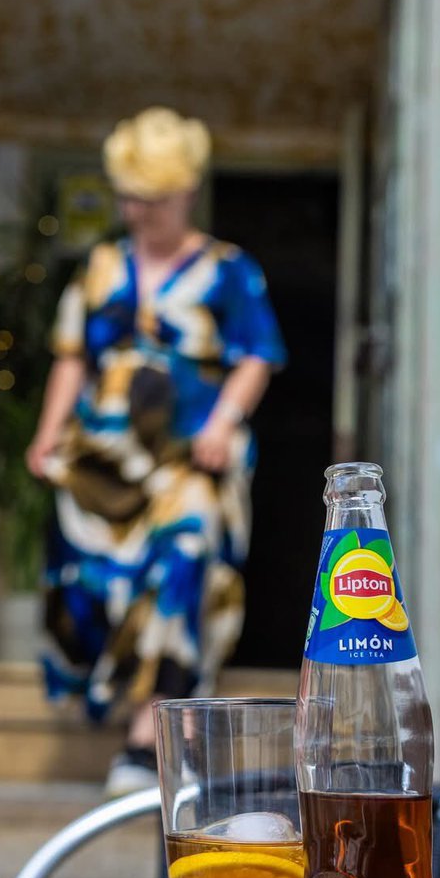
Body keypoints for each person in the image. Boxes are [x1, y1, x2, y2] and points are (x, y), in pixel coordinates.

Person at [26, 107, 286, 796]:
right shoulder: (102, 264)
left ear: (186, 195)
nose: (137, 211)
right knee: (94, 591)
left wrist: (224, 423)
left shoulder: (230, 270)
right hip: (105, 462)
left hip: (189, 457)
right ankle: (122, 705)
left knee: (187, 554)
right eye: (129, 197)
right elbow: (72, 356)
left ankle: (153, 737)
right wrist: (48, 433)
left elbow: (258, 356)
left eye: (152, 199)